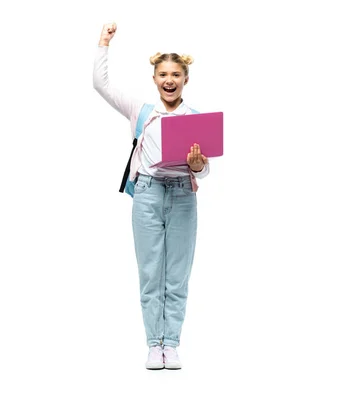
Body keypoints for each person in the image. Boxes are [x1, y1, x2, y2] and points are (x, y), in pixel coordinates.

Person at [93, 22, 210, 370]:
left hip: (182, 198)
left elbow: (204, 171)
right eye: (163, 74)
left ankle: (171, 344)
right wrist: (103, 43)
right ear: (155, 78)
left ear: (185, 79)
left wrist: (198, 164)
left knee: (177, 274)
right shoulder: (141, 110)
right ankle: (153, 343)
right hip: (146, 194)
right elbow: (101, 85)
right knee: (150, 272)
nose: (169, 80)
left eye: (176, 74)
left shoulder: (195, 119)